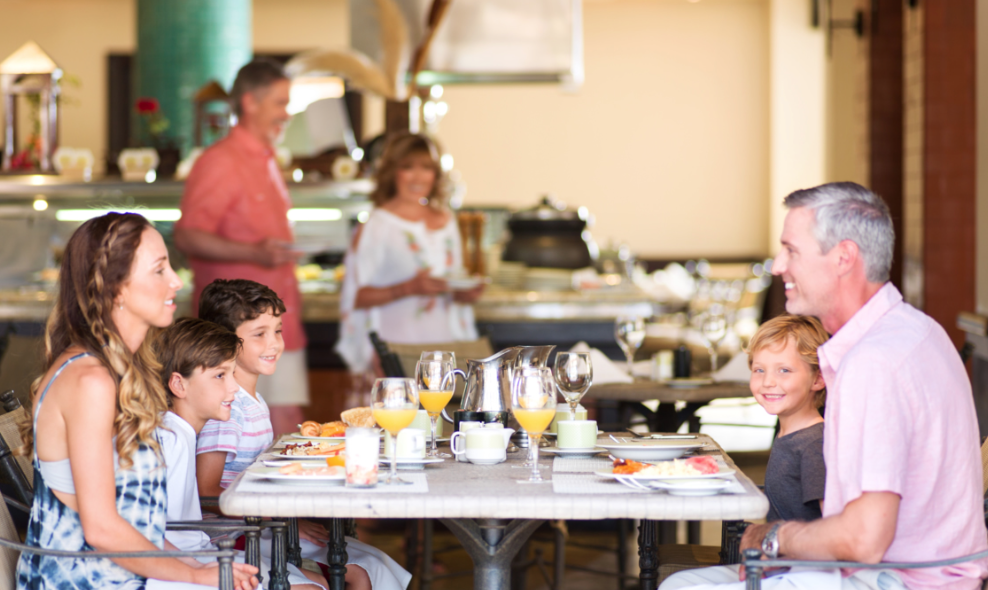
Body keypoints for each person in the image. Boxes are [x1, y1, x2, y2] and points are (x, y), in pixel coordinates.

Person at [661, 182, 988, 590]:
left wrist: (774, 537)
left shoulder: (873, 363)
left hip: (891, 581)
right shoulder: (919, 331)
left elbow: (863, 540)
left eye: (792, 250)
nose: (779, 265)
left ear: (843, 258)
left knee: (680, 586)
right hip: (929, 575)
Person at [16, 213, 258, 590]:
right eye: (160, 270)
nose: (176, 281)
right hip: (83, 580)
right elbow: (101, 528)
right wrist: (195, 573)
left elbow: (132, 522)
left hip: (116, 571)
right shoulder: (90, 380)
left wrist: (194, 567)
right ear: (117, 289)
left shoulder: (116, 371)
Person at [195, 278, 412, 590]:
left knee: (372, 563)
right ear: (225, 341)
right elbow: (206, 490)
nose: (274, 344)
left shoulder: (251, 400)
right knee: (363, 569)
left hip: (260, 525)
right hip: (237, 536)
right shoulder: (228, 409)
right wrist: (278, 520)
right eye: (259, 334)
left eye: (278, 331)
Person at [174, 58, 307, 436]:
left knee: (282, 429)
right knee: (249, 439)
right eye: (280, 102)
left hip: (276, 330)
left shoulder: (267, 160)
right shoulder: (220, 161)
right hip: (238, 337)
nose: (288, 113)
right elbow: (187, 235)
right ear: (250, 103)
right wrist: (254, 253)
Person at [154, 317, 327, 590]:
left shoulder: (182, 434)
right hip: (179, 565)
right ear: (179, 385)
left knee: (315, 583)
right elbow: (147, 529)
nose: (234, 387)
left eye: (232, 374)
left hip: (199, 554)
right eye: (220, 376)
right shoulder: (170, 438)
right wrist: (199, 570)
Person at [335, 132, 483, 374]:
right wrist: (407, 288)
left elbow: (453, 283)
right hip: (395, 350)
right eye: (408, 167)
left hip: (445, 351)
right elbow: (356, 297)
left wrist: (467, 293)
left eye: (426, 168)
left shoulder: (446, 220)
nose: (418, 176)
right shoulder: (377, 225)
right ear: (392, 172)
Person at [748, 314, 828, 523]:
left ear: (818, 378)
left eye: (784, 370)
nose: (768, 381)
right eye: (759, 370)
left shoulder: (814, 445)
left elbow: (830, 524)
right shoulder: (790, 435)